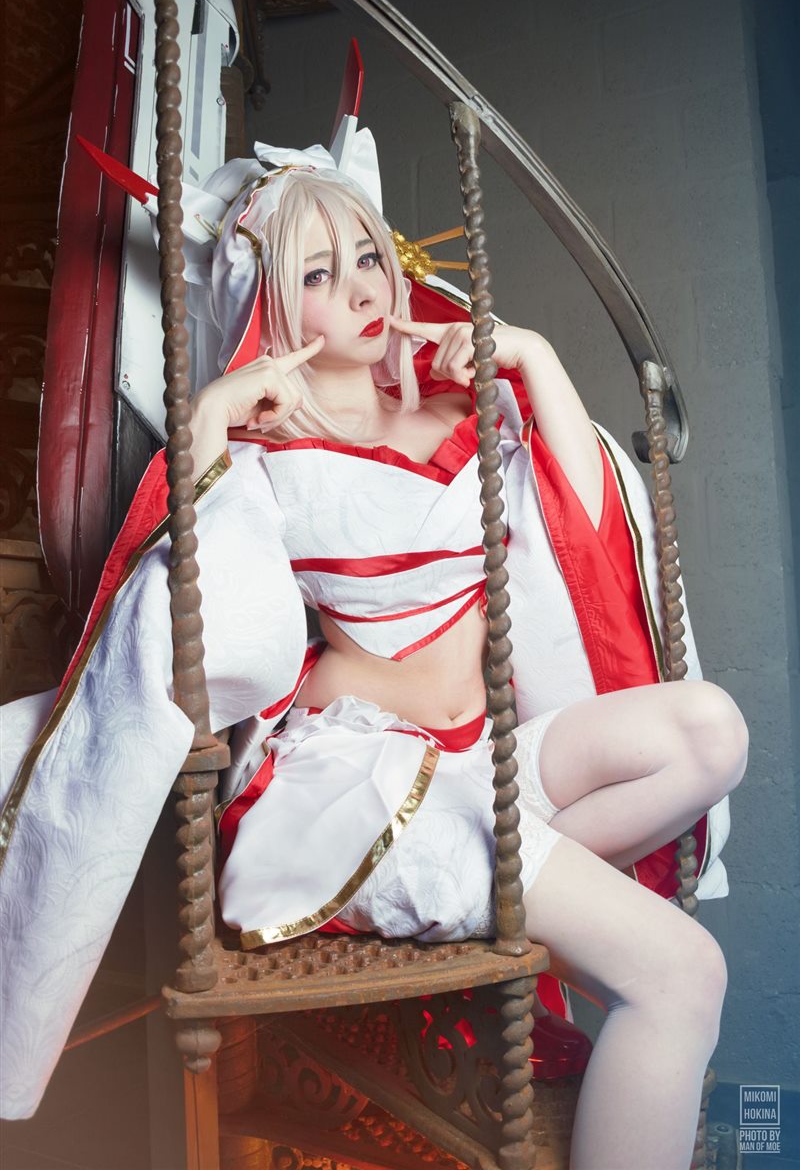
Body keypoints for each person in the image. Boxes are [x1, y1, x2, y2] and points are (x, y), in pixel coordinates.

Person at [0, 139, 744, 1170]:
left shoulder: (459, 409)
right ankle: (494, 887)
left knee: (710, 732)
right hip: (371, 783)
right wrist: (210, 416)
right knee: (683, 975)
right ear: (271, 306)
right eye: (317, 273)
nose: (360, 287)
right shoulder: (266, 456)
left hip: (494, 766)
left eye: (365, 256)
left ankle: (495, 889)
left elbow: (586, 530)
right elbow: (199, 591)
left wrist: (534, 357)